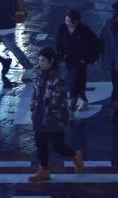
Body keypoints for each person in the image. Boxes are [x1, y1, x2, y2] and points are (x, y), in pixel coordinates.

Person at [29, 47, 84, 182]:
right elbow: (35, 93)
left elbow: (58, 101)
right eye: (39, 60)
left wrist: (51, 116)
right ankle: (44, 170)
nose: (40, 63)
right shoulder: (39, 75)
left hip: (54, 119)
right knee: (40, 145)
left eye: (43, 60)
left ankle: (75, 155)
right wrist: (33, 107)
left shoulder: (57, 79)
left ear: (51, 61)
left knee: (57, 146)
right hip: (39, 116)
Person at [56, 9, 100, 120]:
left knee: (74, 83)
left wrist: (90, 59)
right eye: (66, 19)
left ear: (75, 21)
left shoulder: (84, 30)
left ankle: (71, 111)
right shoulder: (62, 29)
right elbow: (59, 43)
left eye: (69, 20)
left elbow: (96, 43)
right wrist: (61, 55)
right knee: (77, 82)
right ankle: (84, 100)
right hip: (69, 60)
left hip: (80, 61)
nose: (67, 22)